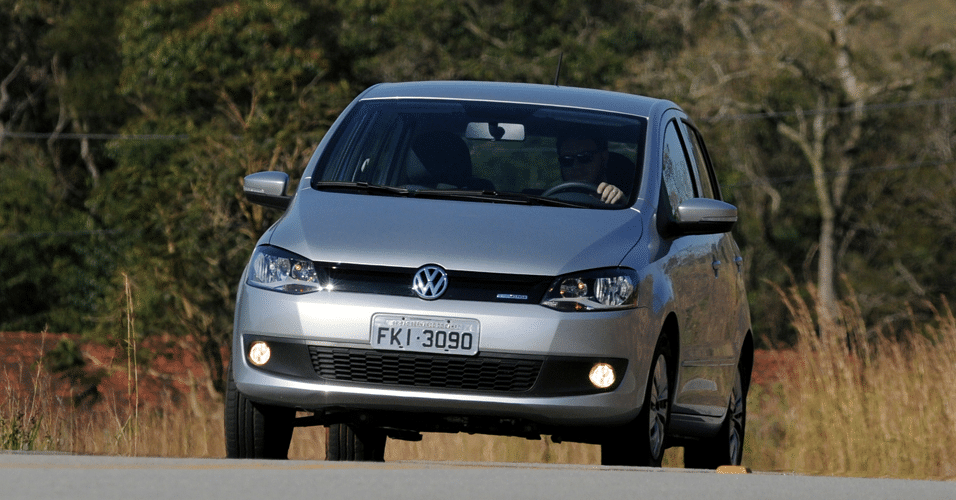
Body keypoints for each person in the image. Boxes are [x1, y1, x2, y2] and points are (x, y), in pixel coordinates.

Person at [556, 134, 625, 204]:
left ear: (604, 157)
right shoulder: (553, 199)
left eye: (584, 157)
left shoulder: (629, 198)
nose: (576, 166)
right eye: (566, 160)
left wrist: (618, 200)